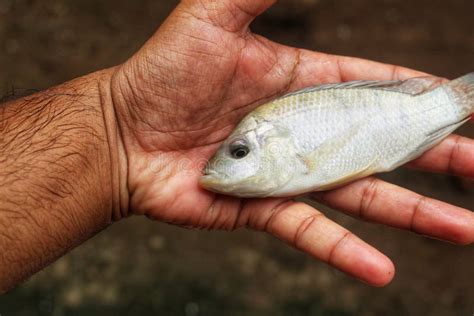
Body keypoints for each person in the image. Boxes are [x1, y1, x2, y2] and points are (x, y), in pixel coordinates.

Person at [0, 0, 473, 292]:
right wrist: (115, 125)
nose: (221, 165)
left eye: (239, 151)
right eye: (236, 152)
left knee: (450, 105)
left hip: (405, 121)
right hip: (399, 128)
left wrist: (113, 131)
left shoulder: (286, 144)